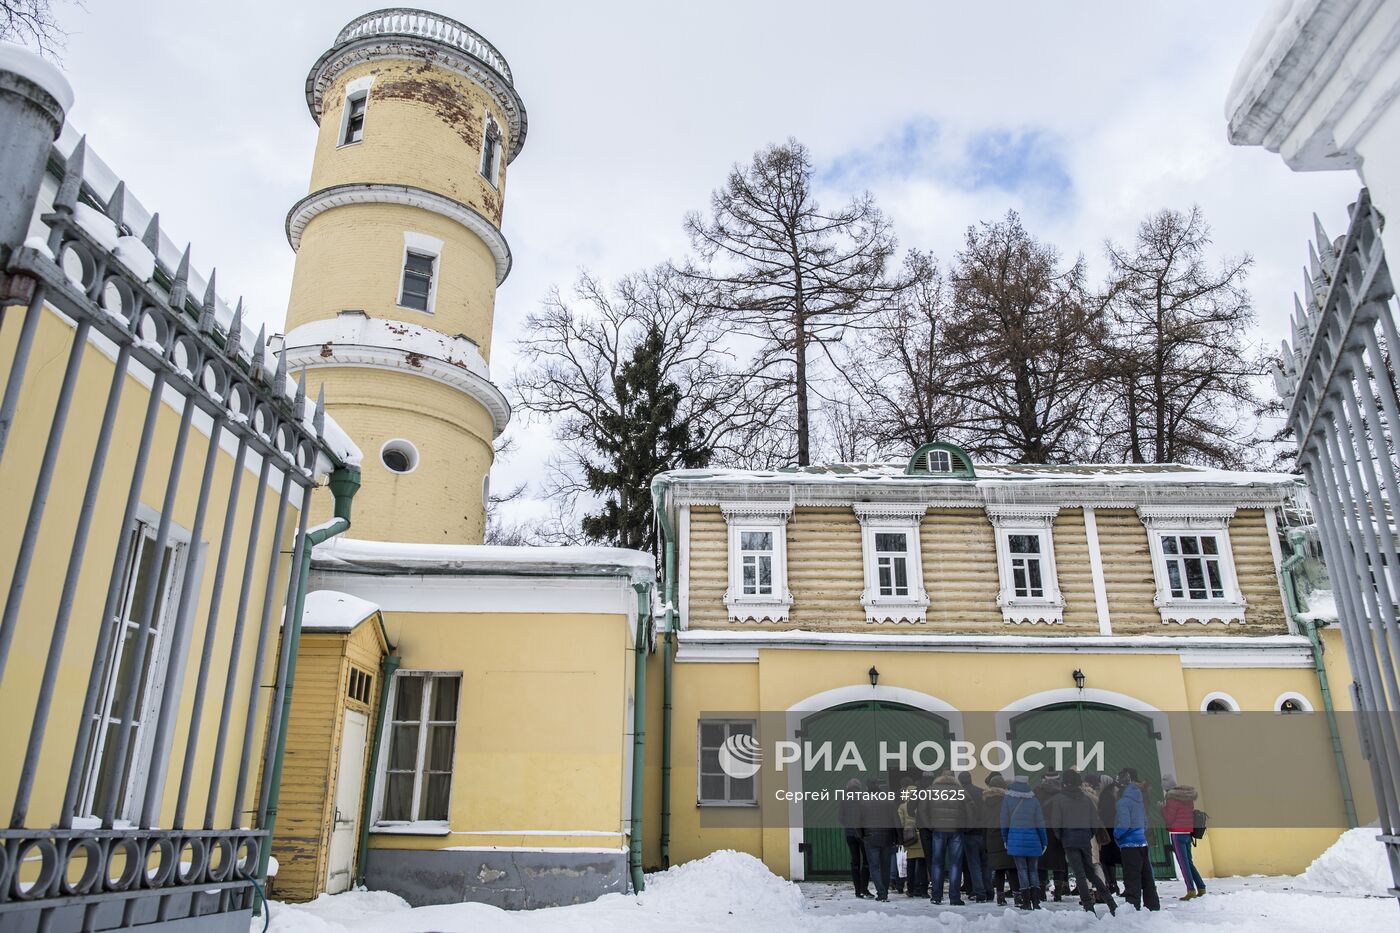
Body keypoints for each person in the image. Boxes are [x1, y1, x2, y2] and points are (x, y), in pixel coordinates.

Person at [1053, 768, 1118, 916]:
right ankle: (1111, 903)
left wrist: (1062, 837)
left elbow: (1056, 823)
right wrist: (1088, 834)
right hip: (1084, 840)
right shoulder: (1085, 799)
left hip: (1069, 841)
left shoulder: (1059, 799)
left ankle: (1089, 907)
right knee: (1091, 872)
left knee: (1080, 875)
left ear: (1065, 783)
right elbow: (1094, 822)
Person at [1114, 767, 1160, 911]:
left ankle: (1132, 907)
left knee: (1132, 877)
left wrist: (1116, 834)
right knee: (1147, 876)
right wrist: (1141, 832)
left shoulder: (1123, 803)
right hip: (1142, 842)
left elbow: (1124, 824)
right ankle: (1152, 905)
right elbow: (1145, 821)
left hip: (1129, 845)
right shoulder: (1139, 799)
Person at [1000, 774, 1047, 910]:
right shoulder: (1034, 800)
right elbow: (1040, 823)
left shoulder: (1008, 799)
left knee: (1021, 870)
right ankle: (1036, 901)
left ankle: (1026, 902)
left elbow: (1004, 821)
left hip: (1015, 839)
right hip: (1033, 840)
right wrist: (1044, 841)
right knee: (1033, 870)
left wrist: (1005, 838)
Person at [919, 769, 966, 905]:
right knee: (955, 864)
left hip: (938, 830)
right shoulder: (960, 791)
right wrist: (965, 826)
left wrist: (930, 826)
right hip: (956, 830)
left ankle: (936, 896)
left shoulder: (929, 790)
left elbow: (922, 810)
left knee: (937, 863)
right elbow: (970, 808)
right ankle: (955, 897)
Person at [1161, 777, 1206, 900]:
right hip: (1187, 833)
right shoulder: (1187, 797)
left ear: (1166, 788)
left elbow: (1169, 819)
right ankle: (1201, 887)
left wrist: (1162, 808)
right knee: (1189, 862)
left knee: (1183, 863)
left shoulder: (1171, 799)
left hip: (1177, 834)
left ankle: (1190, 890)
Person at [860, 777, 899, 901]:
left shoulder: (863, 801)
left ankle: (881, 892)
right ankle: (884, 892)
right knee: (885, 866)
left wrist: (862, 835)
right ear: (878, 786)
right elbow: (896, 820)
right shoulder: (888, 800)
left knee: (874, 867)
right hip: (887, 837)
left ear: (867, 787)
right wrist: (899, 837)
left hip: (870, 837)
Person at [1036, 772, 1070, 901]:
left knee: (1041, 862)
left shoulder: (1038, 792)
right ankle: (1058, 892)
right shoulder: (1063, 793)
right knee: (1059, 862)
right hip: (1058, 830)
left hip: (1042, 829)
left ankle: (1041, 892)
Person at [956, 771, 990, 902]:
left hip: (969, 833)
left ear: (960, 781)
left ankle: (980, 892)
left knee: (974, 865)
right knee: (986, 864)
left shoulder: (960, 795)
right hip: (984, 832)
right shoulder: (982, 792)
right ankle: (989, 891)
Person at [839, 777, 872, 898]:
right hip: (862, 834)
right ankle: (864, 888)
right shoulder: (863, 797)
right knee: (866, 861)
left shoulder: (844, 799)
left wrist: (849, 826)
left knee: (855, 862)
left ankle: (857, 891)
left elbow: (840, 818)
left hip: (850, 834)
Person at [896, 779, 927, 897]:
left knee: (910, 864)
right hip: (922, 836)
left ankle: (911, 889)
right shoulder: (922, 804)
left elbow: (900, 823)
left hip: (910, 838)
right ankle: (923, 890)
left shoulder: (902, 806)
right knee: (923, 864)